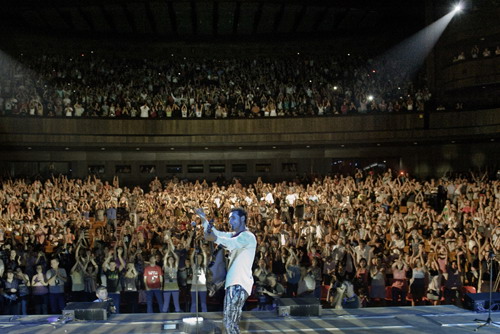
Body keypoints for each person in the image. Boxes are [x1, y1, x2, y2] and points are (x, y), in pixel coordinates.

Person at [197, 207, 257, 334]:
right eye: (229, 219)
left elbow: (230, 243)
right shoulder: (233, 235)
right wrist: (203, 219)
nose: (230, 221)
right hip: (233, 283)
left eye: (233, 218)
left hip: (239, 284)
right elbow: (216, 233)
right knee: (230, 323)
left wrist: (215, 239)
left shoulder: (248, 236)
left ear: (242, 218)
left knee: (230, 323)